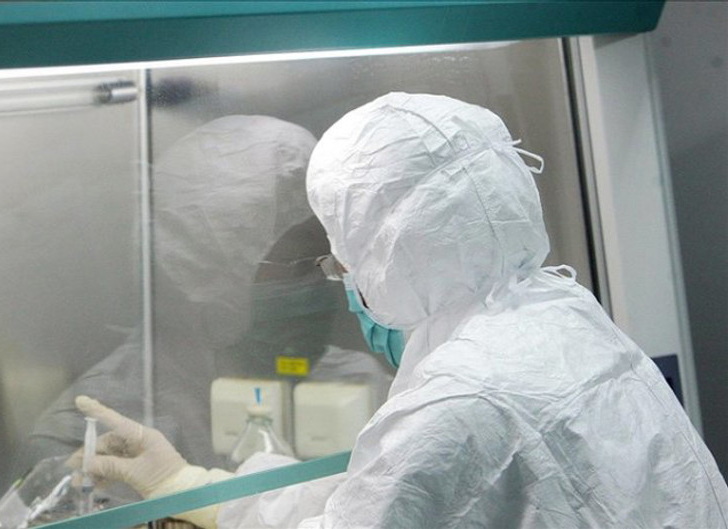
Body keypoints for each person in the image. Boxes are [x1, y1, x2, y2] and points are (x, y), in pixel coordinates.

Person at [71, 93, 728, 528]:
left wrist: (194, 491)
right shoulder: (562, 314)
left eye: (343, 261)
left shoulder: (461, 398)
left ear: (390, 253)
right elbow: (375, 493)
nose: (342, 283)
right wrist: (194, 484)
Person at [13, 115, 391, 506]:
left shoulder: (359, 385)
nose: (320, 286)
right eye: (297, 266)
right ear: (207, 270)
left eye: (328, 261)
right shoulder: (96, 433)